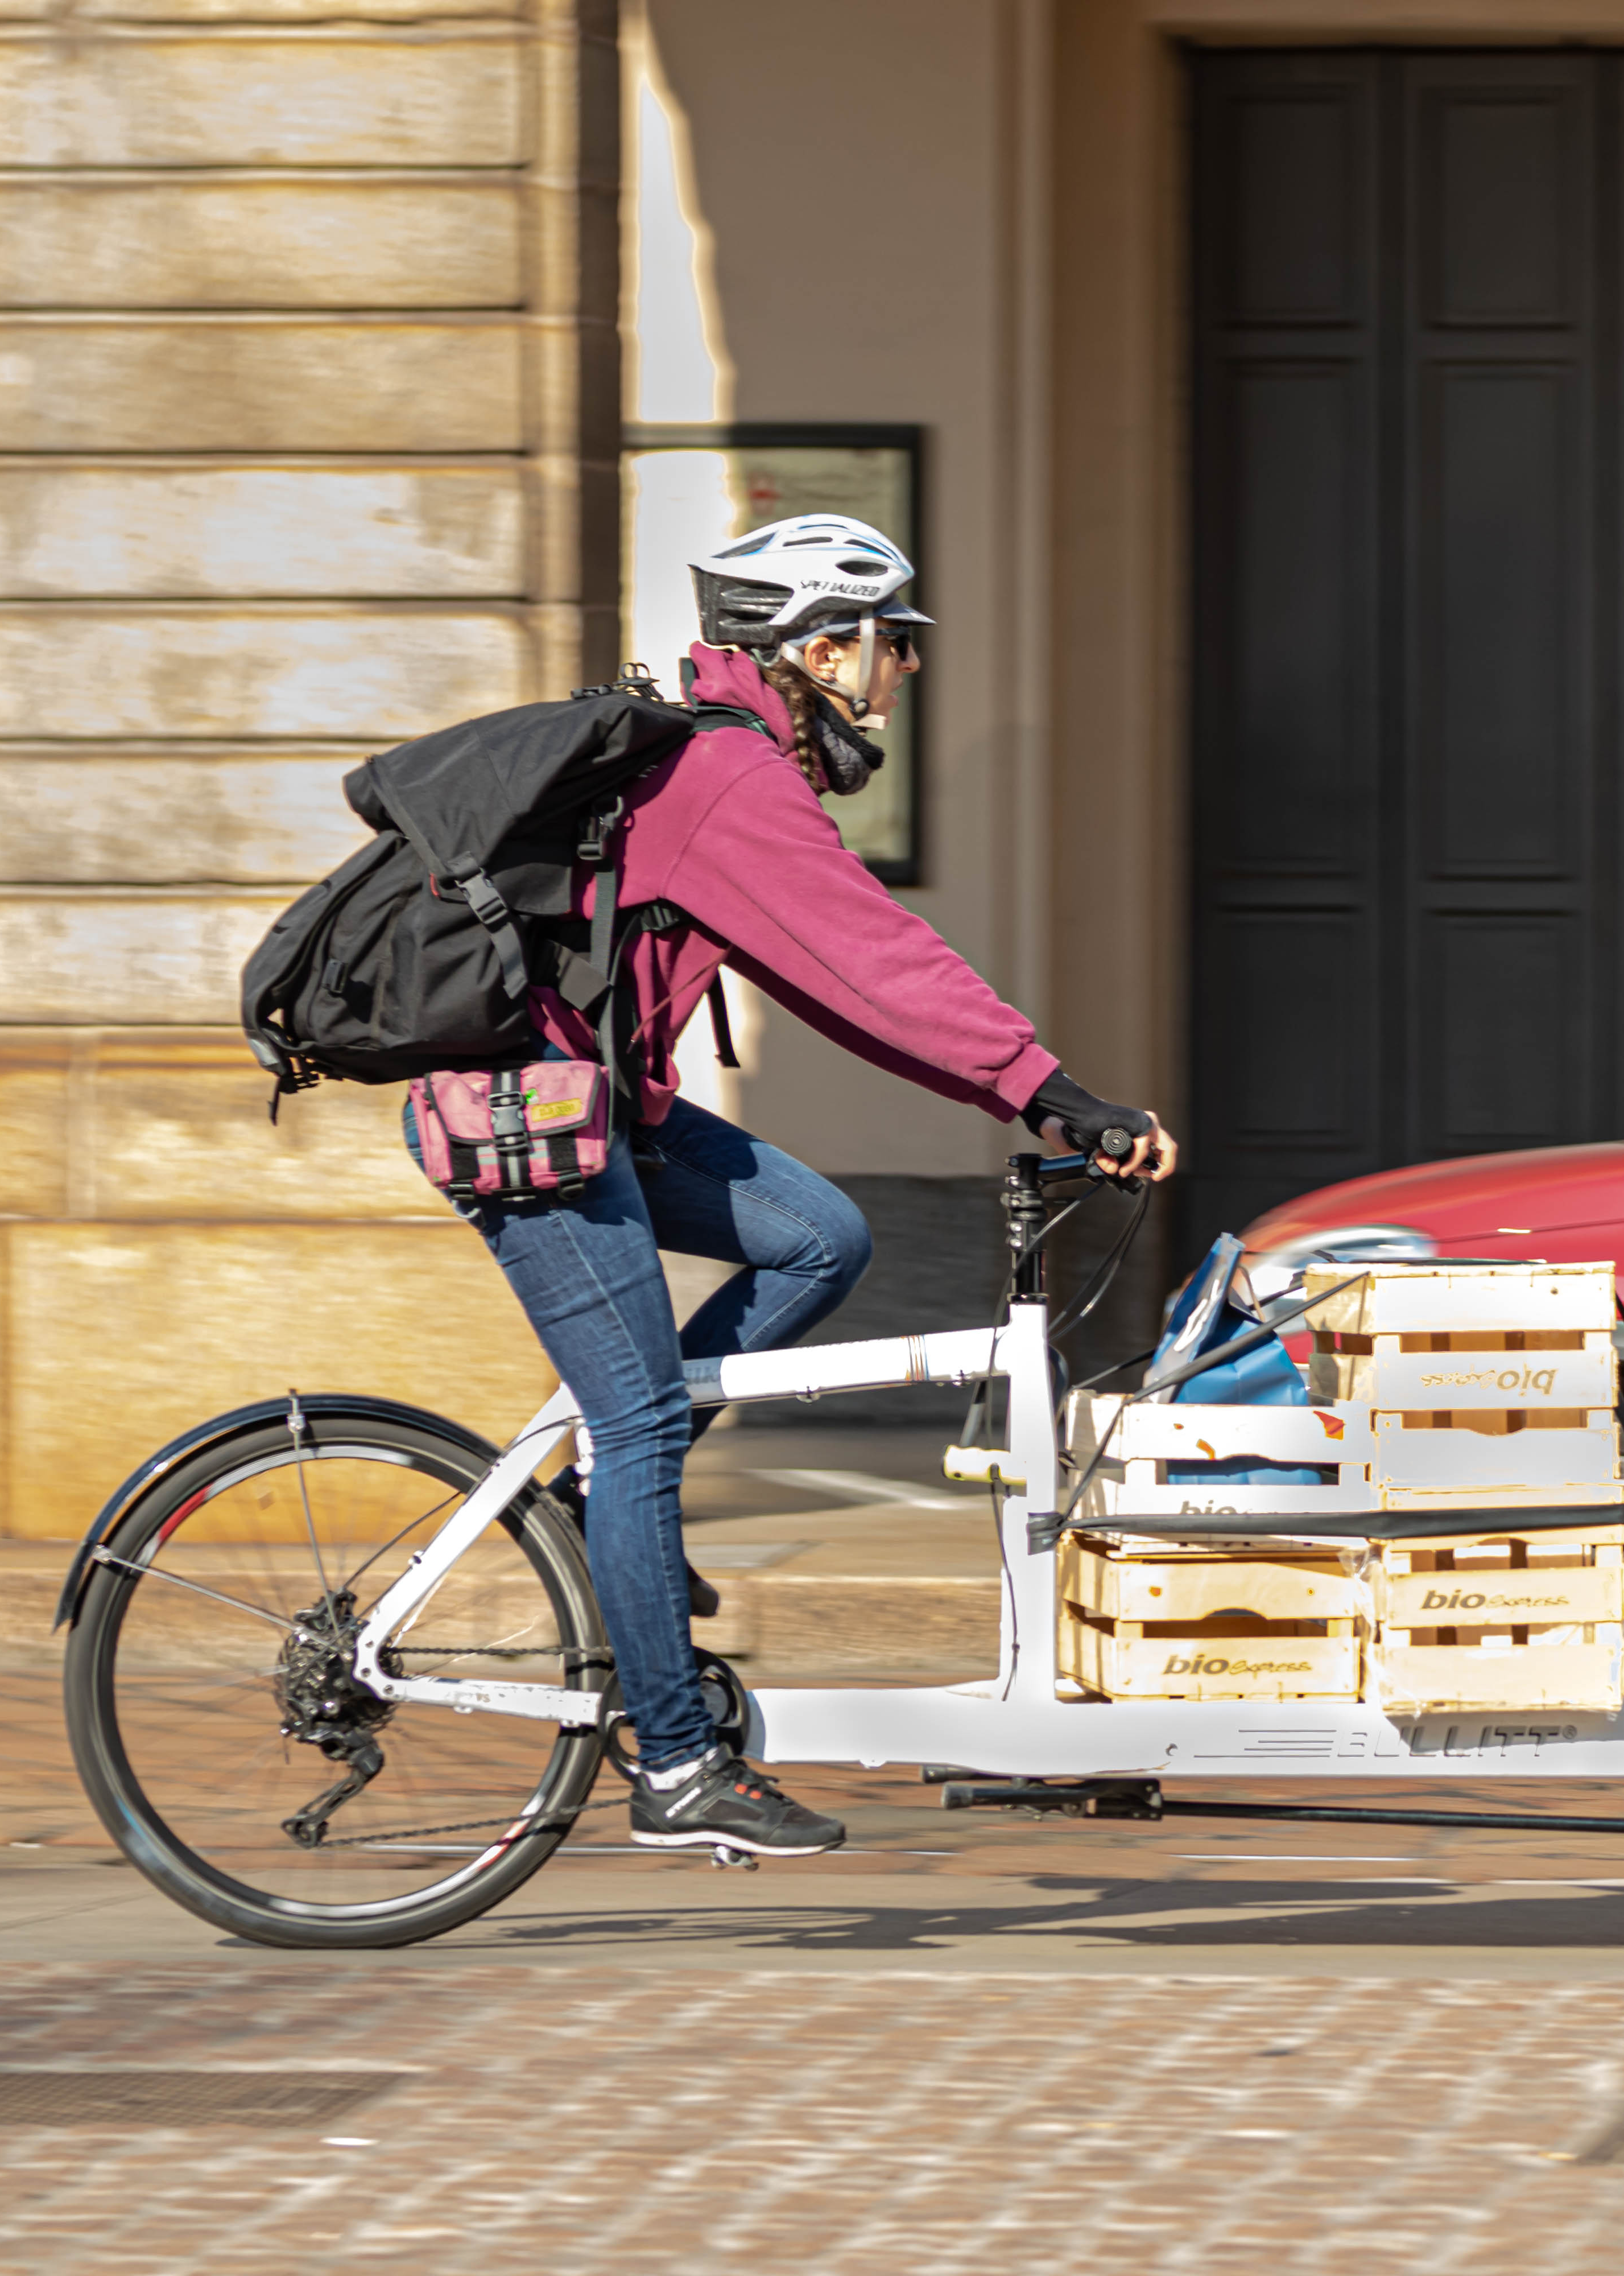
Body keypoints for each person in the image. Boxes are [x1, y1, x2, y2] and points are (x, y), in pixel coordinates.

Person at [407, 513, 1180, 1860]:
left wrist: (1023, 1089)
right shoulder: (729, 779)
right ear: (819, 646)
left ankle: (602, 1512)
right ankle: (678, 1761)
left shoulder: (735, 768)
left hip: (610, 1110)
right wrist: (1052, 1089)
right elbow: (879, 960)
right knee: (640, 1416)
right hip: (532, 1121)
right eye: (896, 642)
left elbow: (846, 989)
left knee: (819, 1235)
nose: (908, 669)